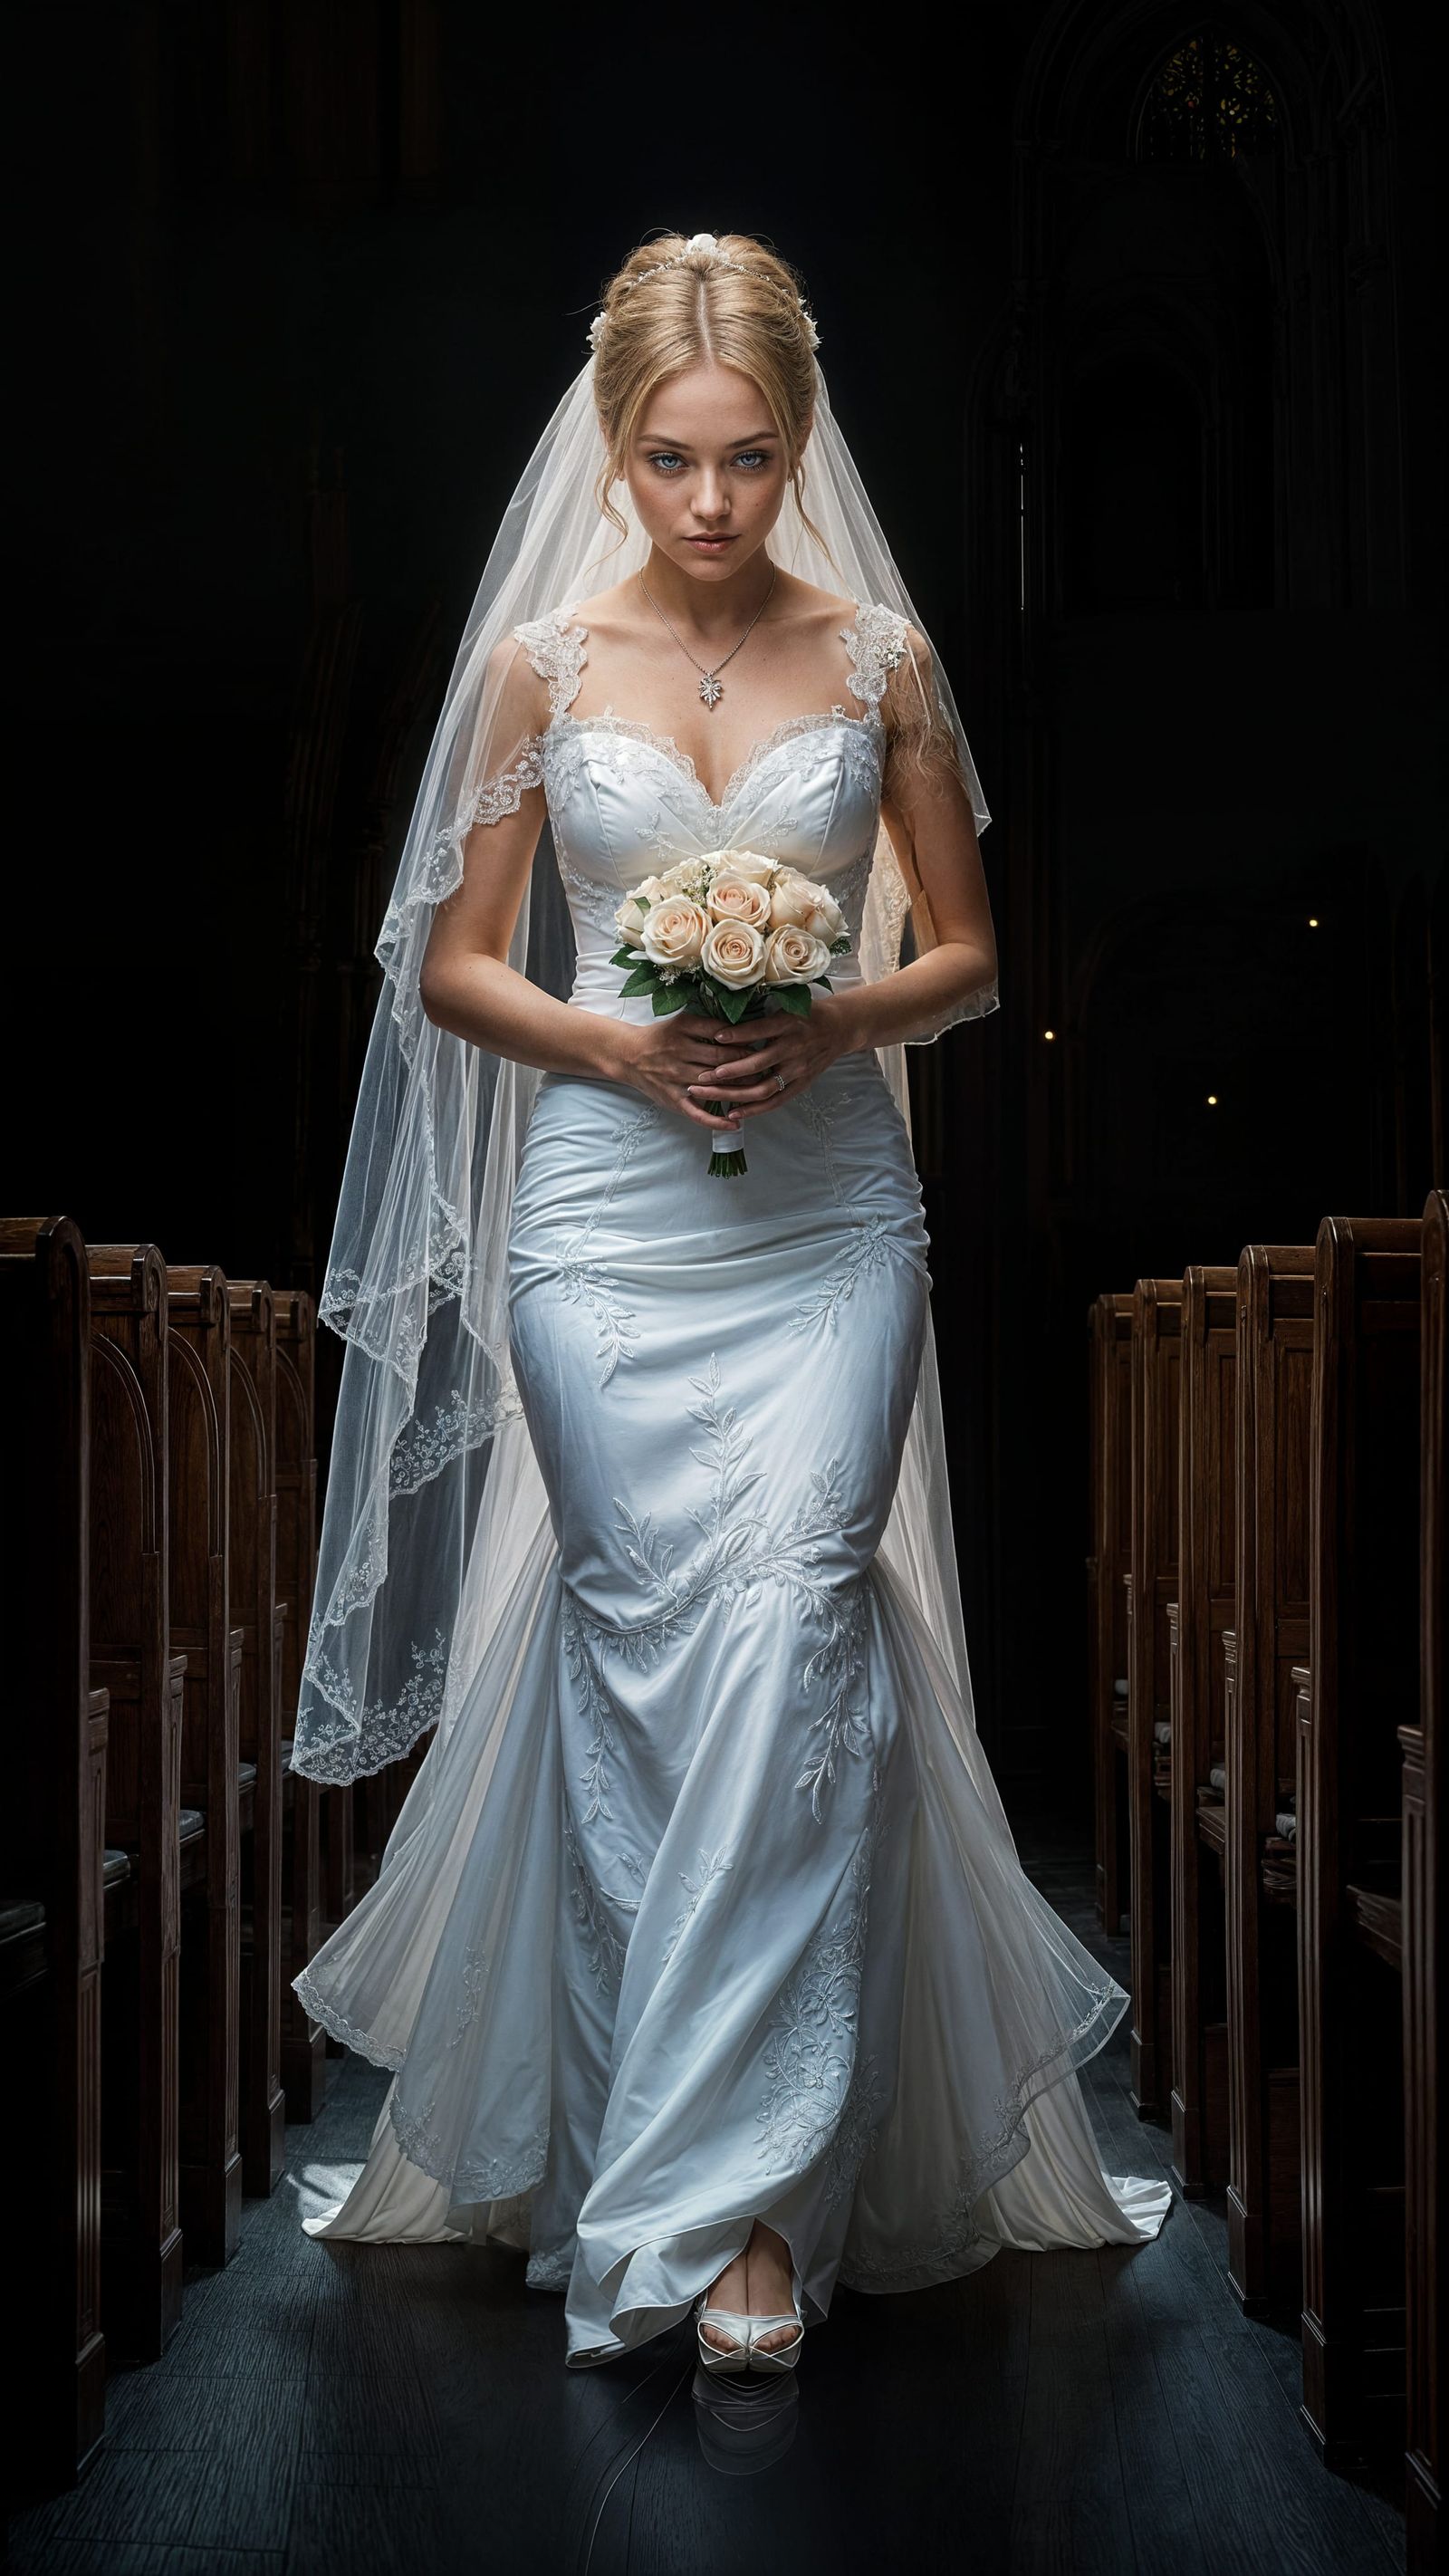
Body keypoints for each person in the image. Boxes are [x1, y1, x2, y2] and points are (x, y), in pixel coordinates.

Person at [291, 229, 1170, 2376]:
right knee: (634, 1653)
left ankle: (751, 2208)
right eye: (671, 460)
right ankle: (648, 2166)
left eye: (748, 459)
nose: (708, 503)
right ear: (614, 445)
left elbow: (968, 950)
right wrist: (618, 1041)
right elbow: (452, 964)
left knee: (794, 1621)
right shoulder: (538, 669)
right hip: (602, 1223)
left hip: (827, 1226)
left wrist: (825, 1013)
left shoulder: (879, 660)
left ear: (797, 445)